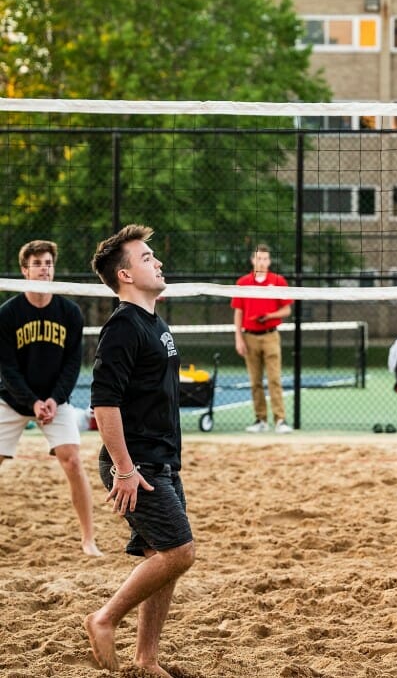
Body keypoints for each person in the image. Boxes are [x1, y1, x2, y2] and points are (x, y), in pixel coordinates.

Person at [84, 225, 196, 677]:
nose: (158, 262)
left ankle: (145, 658)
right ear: (125, 275)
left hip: (163, 460)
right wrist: (125, 470)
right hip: (137, 464)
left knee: (161, 558)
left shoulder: (155, 321)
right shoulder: (122, 327)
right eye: (147, 257)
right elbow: (103, 402)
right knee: (180, 552)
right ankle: (104, 619)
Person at [0, 240, 101, 557]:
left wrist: (55, 400)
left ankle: (88, 540)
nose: (44, 268)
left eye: (48, 263)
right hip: (14, 399)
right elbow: (8, 368)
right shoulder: (8, 313)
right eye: (37, 263)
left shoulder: (69, 312)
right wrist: (31, 402)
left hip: (55, 400)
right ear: (24, 270)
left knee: (72, 460)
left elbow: (73, 365)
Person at [232, 243, 293, 434]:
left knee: (274, 379)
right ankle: (260, 419)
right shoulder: (242, 282)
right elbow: (238, 312)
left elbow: (287, 309)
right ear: (253, 260)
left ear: (270, 261)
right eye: (259, 258)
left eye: (265, 259)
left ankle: (280, 420)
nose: (262, 262)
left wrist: (269, 316)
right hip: (249, 337)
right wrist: (239, 338)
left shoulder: (278, 281)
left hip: (270, 336)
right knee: (255, 381)